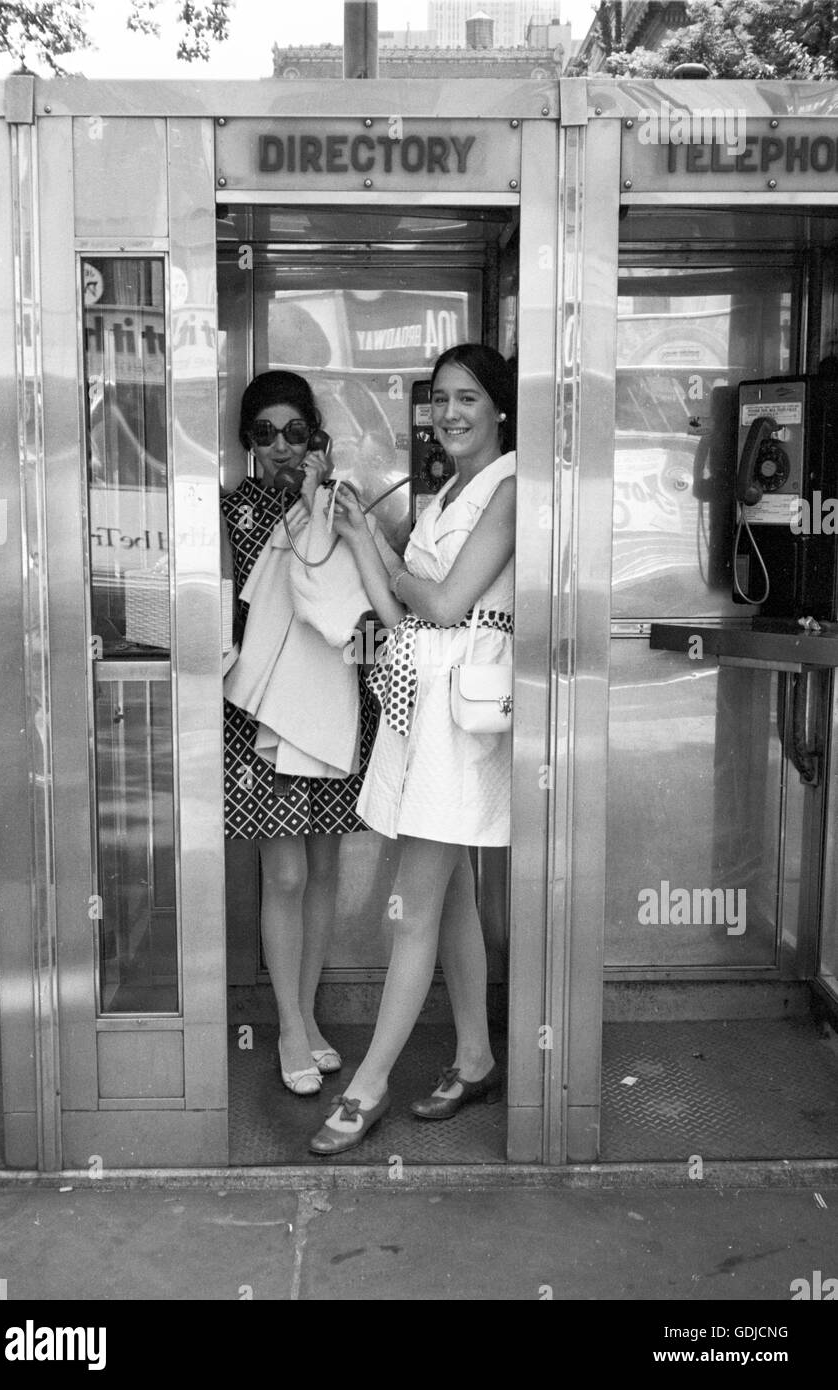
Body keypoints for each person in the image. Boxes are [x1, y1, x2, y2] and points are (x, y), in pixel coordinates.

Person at [308, 343, 516, 1154]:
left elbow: (446, 599)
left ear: (499, 407)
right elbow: (409, 616)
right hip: (423, 711)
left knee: (415, 906)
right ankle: (474, 1057)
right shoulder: (450, 493)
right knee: (452, 893)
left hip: (462, 724)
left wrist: (406, 582)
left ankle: (367, 1086)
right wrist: (366, 539)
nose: (450, 413)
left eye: (467, 398)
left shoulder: (508, 488)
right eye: (438, 399)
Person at [221, 370, 382, 1097]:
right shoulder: (233, 513)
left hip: (333, 705)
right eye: (265, 435)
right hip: (264, 719)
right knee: (283, 873)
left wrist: (322, 497)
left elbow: (367, 593)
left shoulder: (338, 504)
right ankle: (287, 1022)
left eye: (295, 432)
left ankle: (307, 1016)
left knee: (323, 872)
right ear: (247, 444)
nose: (281, 447)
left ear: (315, 436)